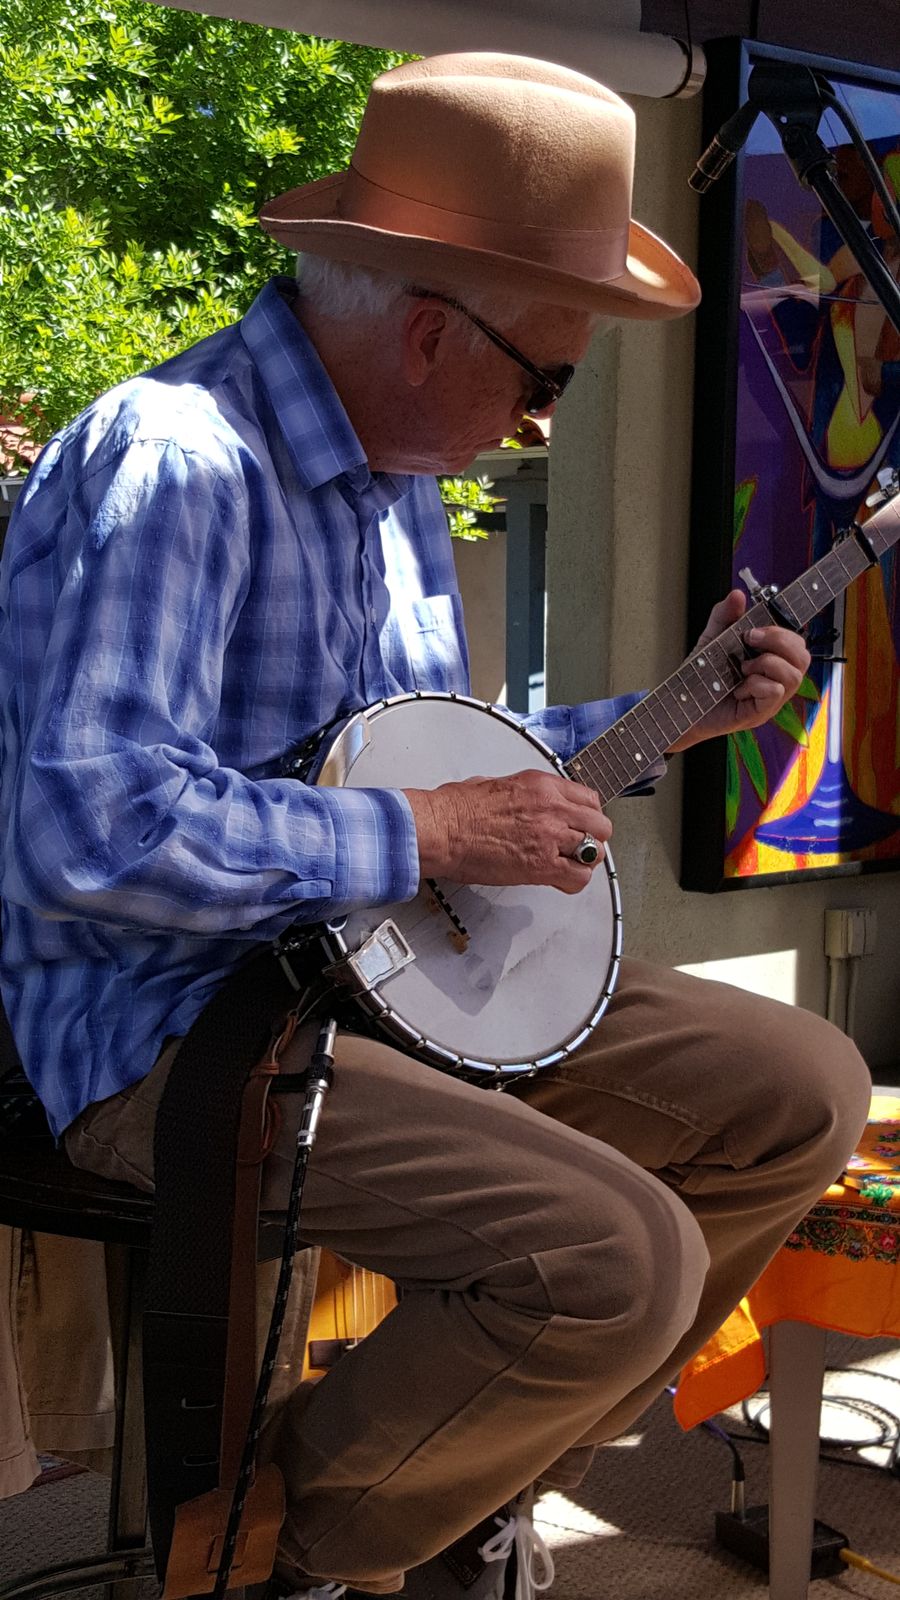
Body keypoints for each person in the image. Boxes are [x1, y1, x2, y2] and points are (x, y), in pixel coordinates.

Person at [0, 51, 870, 1600]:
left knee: (803, 1089)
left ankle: (445, 1489)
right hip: (170, 1021)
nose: (540, 426)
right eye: (549, 383)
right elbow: (93, 825)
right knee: (622, 1262)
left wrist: (673, 712)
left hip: (386, 972)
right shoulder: (176, 463)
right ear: (426, 329)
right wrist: (427, 837)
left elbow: (440, 772)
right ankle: (270, 1557)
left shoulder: (398, 472)